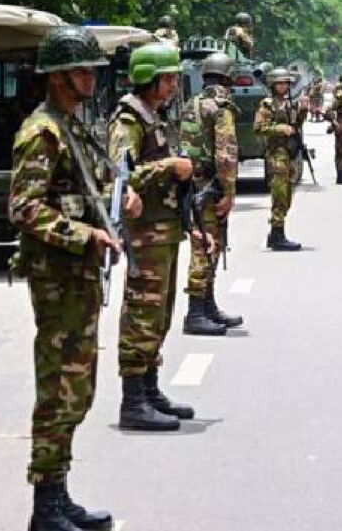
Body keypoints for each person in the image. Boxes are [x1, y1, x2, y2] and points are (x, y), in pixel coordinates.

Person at [8, 25, 138, 531]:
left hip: (77, 276)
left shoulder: (71, 127)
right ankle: (45, 506)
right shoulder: (42, 132)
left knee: (77, 389)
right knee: (59, 389)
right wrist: (84, 235)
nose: (90, 79)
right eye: (82, 72)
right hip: (57, 277)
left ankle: (58, 493)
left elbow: (87, 186)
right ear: (59, 77)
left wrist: (121, 197)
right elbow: (24, 208)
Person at [108, 42, 205, 432]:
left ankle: (149, 390)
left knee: (160, 314)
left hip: (164, 230)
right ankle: (133, 400)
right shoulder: (129, 120)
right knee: (142, 314)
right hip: (146, 233)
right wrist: (169, 166)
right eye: (167, 79)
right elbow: (119, 176)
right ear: (149, 78)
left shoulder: (153, 116)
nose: (173, 86)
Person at [178, 51, 242, 335]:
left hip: (193, 185)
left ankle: (208, 305)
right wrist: (229, 192)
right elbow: (225, 154)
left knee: (209, 243)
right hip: (210, 187)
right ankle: (196, 312)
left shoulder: (192, 103)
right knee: (206, 246)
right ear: (228, 77)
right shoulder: (221, 107)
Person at [253, 67, 309, 251]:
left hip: (289, 153)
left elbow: (296, 125)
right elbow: (258, 128)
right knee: (279, 195)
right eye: (280, 83)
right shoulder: (267, 104)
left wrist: (303, 110)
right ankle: (278, 235)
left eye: (286, 83)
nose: (283, 86)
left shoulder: (289, 103)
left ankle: (275, 233)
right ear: (273, 85)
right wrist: (279, 128)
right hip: (277, 154)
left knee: (287, 195)